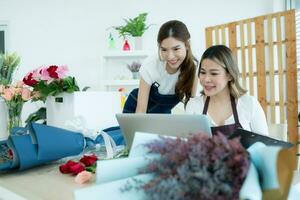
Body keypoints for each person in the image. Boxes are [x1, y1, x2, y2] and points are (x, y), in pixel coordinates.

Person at [186, 45, 269, 137]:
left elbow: (265, 147)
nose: (206, 79)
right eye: (203, 72)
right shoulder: (194, 106)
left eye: (214, 73)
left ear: (229, 75)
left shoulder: (249, 104)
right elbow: (187, 146)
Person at [123, 20, 198, 113]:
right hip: (136, 111)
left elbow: (191, 105)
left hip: (162, 115)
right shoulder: (150, 66)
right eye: (164, 49)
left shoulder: (194, 66)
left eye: (176, 49)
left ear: (187, 45)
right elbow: (141, 110)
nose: (170, 56)